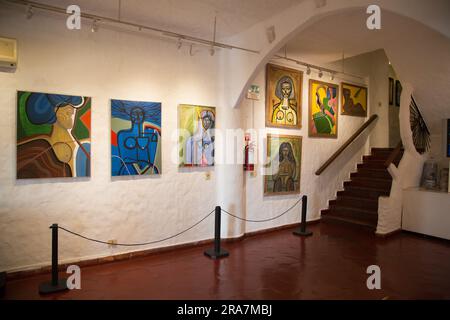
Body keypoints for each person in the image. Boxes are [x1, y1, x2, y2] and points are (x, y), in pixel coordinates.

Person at [17, 93, 90, 178]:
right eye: (67, 111)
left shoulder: (86, 148)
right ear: (53, 113)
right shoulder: (38, 150)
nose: (71, 113)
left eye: (72, 109)